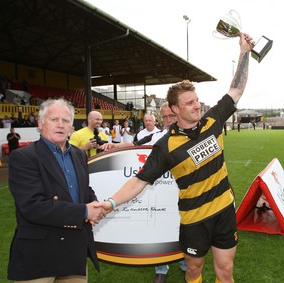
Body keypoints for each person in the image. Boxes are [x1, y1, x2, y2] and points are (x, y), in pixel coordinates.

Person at [99, 32, 252, 283]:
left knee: (225, 272)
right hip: (194, 219)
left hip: (224, 209)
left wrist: (244, 51)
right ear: (175, 109)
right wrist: (111, 203)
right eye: (189, 102)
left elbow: (236, 89)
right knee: (193, 271)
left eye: (197, 100)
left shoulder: (213, 120)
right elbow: (139, 181)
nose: (196, 105)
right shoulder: (166, 145)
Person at [7, 98, 106, 282]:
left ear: (71, 127)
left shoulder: (78, 155)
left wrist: (95, 204)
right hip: (39, 255)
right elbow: (33, 206)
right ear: (40, 123)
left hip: (74, 252)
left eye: (66, 120)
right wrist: (85, 211)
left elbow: (84, 189)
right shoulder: (23, 157)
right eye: (54, 119)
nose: (60, 125)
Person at [101, 102, 186, 283]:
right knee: (160, 225)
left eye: (172, 116)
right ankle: (161, 268)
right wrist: (114, 146)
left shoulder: (191, 136)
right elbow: (135, 145)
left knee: (182, 224)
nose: (169, 120)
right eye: (165, 117)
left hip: (183, 190)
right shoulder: (158, 136)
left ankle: (185, 262)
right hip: (160, 188)